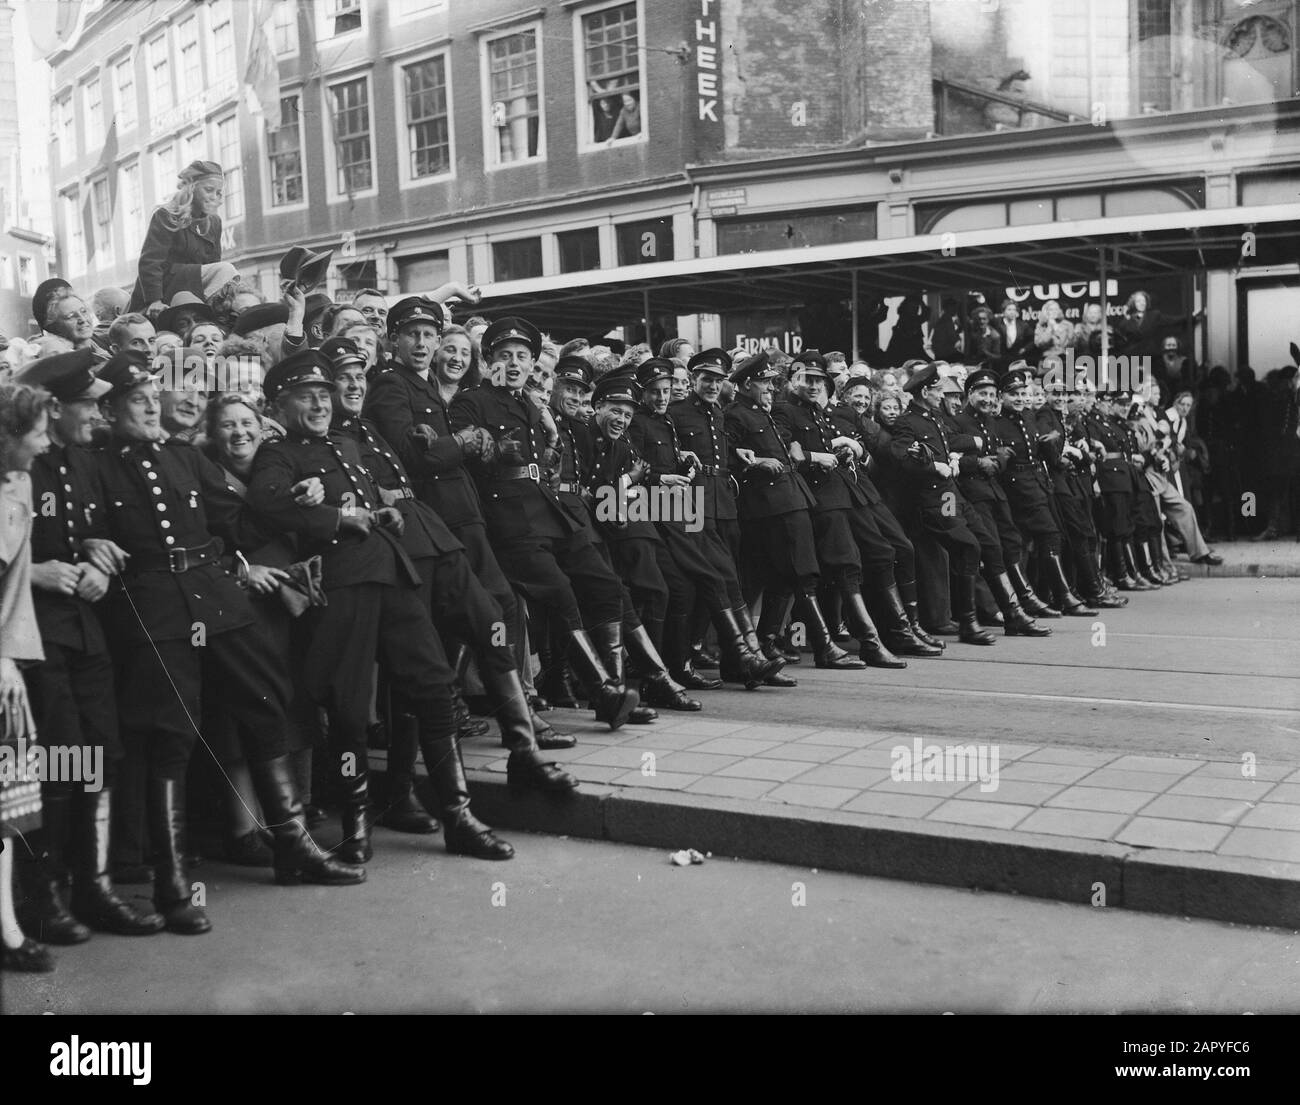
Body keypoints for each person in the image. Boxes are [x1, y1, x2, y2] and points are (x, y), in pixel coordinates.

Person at [93, 350, 365, 934]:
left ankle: (293, 844)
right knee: (171, 731)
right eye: (140, 399)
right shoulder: (95, 463)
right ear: (111, 408)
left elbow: (237, 525)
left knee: (267, 700)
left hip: (214, 593)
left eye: (154, 395)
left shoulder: (185, 455)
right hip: (150, 604)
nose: (153, 406)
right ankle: (169, 886)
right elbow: (78, 528)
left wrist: (301, 508)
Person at [248, 349, 517, 861]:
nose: (320, 404)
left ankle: (458, 816)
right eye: (306, 397)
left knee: (435, 690)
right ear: (280, 406)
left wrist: (380, 514)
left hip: (394, 577)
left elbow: (368, 497)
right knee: (349, 712)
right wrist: (333, 521)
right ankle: (356, 825)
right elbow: (267, 502)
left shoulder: (347, 444)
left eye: (323, 395)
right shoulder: (277, 455)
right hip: (343, 590)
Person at [10, 352, 166, 947]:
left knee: (99, 753)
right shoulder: (20, 465)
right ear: (54, 407)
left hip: (86, 631)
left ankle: (93, 887)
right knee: (56, 761)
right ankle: (44, 895)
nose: (99, 413)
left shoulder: (85, 461)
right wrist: (40, 572)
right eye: (88, 404)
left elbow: (97, 534)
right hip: (35, 637)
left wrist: (100, 557)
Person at [449, 317, 643, 729]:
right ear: (488, 361)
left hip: (549, 511)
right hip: (508, 518)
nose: (515, 364)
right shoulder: (472, 402)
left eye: (523, 356)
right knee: (559, 593)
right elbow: (473, 458)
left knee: (605, 584)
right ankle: (604, 692)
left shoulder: (530, 404)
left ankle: (614, 686)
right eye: (505, 356)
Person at [725, 350, 864, 669]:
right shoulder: (737, 414)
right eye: (764, 383)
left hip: (790, 499)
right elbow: (729, 456)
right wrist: (758, 462)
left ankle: (765, 642)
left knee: (785, 576)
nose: (771, 389)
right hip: (771, 504)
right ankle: (823, 647)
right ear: (747, 385)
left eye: (772, 383)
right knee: (802, 573)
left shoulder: (762, 411)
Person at [1, 382, 56, 972]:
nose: (45, 443)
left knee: (8, 804)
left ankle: (8, 929)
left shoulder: (21, 482)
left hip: (5, 662)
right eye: (37, 432)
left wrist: (7, 657)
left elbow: (13, 583)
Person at [129, 160, 238, 316]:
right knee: (226, 269)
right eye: (209, 190)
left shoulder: (214, 222)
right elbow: (150, 262)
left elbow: (214, 261)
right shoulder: (166, 215)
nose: (214, 197)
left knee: (229, 279)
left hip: (195, 284)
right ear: (192, 188)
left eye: (218, 192)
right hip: (167, 284)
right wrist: (155, 300)